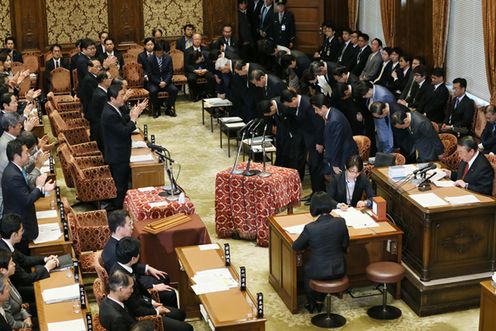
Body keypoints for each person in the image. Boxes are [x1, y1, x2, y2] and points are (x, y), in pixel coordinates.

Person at [110, 237, 193, 331]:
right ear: (133, 258)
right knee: (188, 328)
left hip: (144, 302)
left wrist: (152, 302)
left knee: (180, 314)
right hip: (141, 317)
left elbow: (140, 290)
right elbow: (136, 308)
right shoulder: (123, 280)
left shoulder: (122, 266)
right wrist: (156, 311)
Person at [102, 210, 177, 307]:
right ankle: (165, 314)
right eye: (129, 225)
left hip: (133, 276)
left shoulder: (118, 242)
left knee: (164, 277)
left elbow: (129, 265)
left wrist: (147, 268)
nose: (132, 228)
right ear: (119, 229)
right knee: (170, 294)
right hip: (130, 285)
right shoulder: (113, 254)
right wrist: (153, 287)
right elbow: (125, 280)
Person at [292, 192, 349, 312]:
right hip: (339, 269)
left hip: (318, 271)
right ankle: (321, 300)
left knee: (306, 269)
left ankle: (313, 302)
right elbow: (345, 245)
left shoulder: (310, 228)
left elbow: (296, 247)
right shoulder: (341, 222)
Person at [2, 140, 55, 253]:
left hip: (22, 219)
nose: (29, 155)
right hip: (20, 225)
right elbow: (27, 200)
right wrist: (39, 186)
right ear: (17, 156)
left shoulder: (15, 170)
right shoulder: (13, 176)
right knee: (24, 253)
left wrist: (43, 189)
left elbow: (25, 191)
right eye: (26, 153)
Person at [101, 84, 147, 210]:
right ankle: (119, 210)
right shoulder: (109, 113)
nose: (123, 98)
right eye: (121, 96)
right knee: (120, 186)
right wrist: (133, 119)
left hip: (119, 152)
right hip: (117, 155)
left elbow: (121, 121)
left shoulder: (112, 109)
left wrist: (135, 112)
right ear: (112, 98)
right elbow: (124, 132)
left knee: (122, 182)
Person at [0, 214, 58, 301]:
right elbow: (26, 278)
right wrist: (47, 268)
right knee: (50, 287)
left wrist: (45, 259)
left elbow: (24, 259)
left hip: (20, 283)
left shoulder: (6, 244)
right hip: (16, 292)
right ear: (14, 235)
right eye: (21, 230)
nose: (23, 233)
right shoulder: (6, 253)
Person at [310, 94, 358, 179]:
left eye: (316, 109)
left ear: (323, 107)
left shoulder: (334, 120)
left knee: (341, 183)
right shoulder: (332, 113)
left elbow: (336, 144)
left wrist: (335, 164)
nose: (315, 112)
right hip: (339, 154)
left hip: (343, 156)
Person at [0, 250, 35, 330]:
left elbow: (19, 305)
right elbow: (11, 324)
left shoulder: (7, 279)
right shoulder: (2, 289)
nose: (14, 264)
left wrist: (27, 316)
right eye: (11, 263)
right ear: (2, 270)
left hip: (23, 318)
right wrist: (26, 325)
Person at [146, 45, 178, 118]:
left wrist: (165, 82)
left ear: (163, 52)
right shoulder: (149, 59)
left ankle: (169, 108)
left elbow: (170, 72)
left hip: (166, 81)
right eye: (158, 53)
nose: (160, 55)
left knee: (174, 90)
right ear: (155, 52)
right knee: (153, 91)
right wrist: (158, 82)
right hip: (154, 82)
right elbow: (150, 74)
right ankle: (157, 109)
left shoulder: (168, 58)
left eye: (161, 53)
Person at [88, 70, 112, 151]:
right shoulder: (101, 95)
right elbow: (108, 113)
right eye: (110, 78)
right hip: (101, 130)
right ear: (104, 80)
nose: (111, 79)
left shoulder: (101, 91)